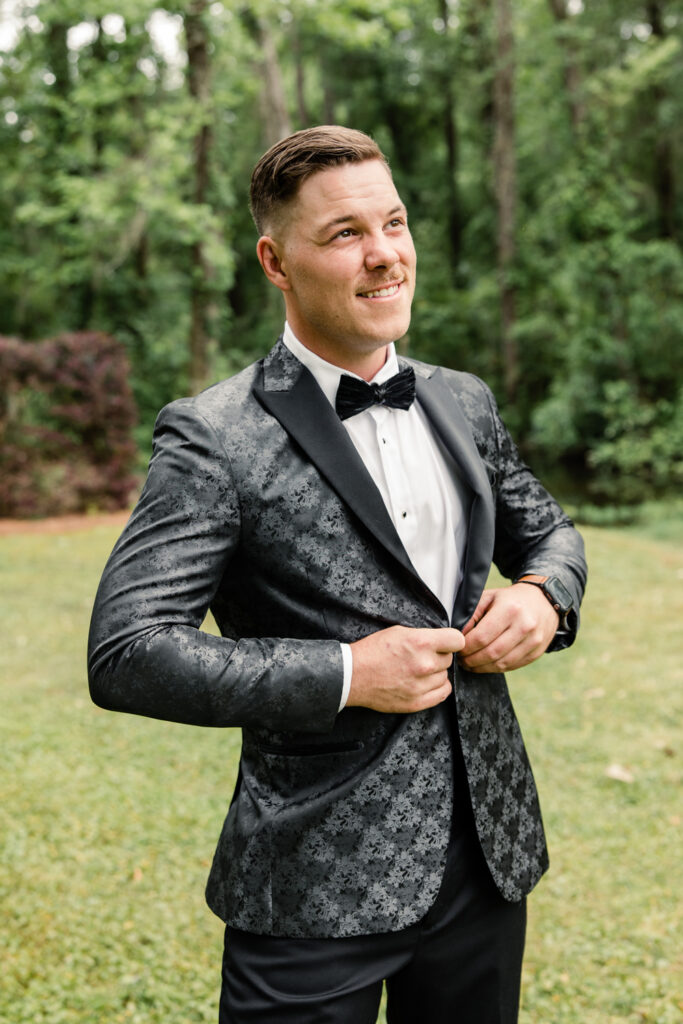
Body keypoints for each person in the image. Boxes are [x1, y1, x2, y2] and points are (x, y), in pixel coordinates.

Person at [88, 125, 587, 1024]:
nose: (384, 254)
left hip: (487, 852)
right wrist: (352, 673)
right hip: (313, 871)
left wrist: (544, 595)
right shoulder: (213, 437)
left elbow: (549, 531)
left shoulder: (461, 398)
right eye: (345, 234)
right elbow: (128, 652)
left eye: (392, 223)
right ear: (276, 261)